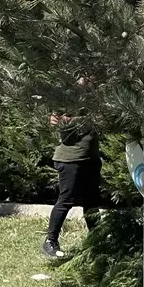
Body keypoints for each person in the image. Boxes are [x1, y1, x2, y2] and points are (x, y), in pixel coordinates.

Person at [44, 108, 100, 258]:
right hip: (70, 160)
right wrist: (57, 118)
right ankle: (50, 241)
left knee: (92, 202)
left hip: (91, 159)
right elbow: (54, 119)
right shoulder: (67, 95)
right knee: (66, 200)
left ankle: (98, 241)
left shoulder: (95, 95)